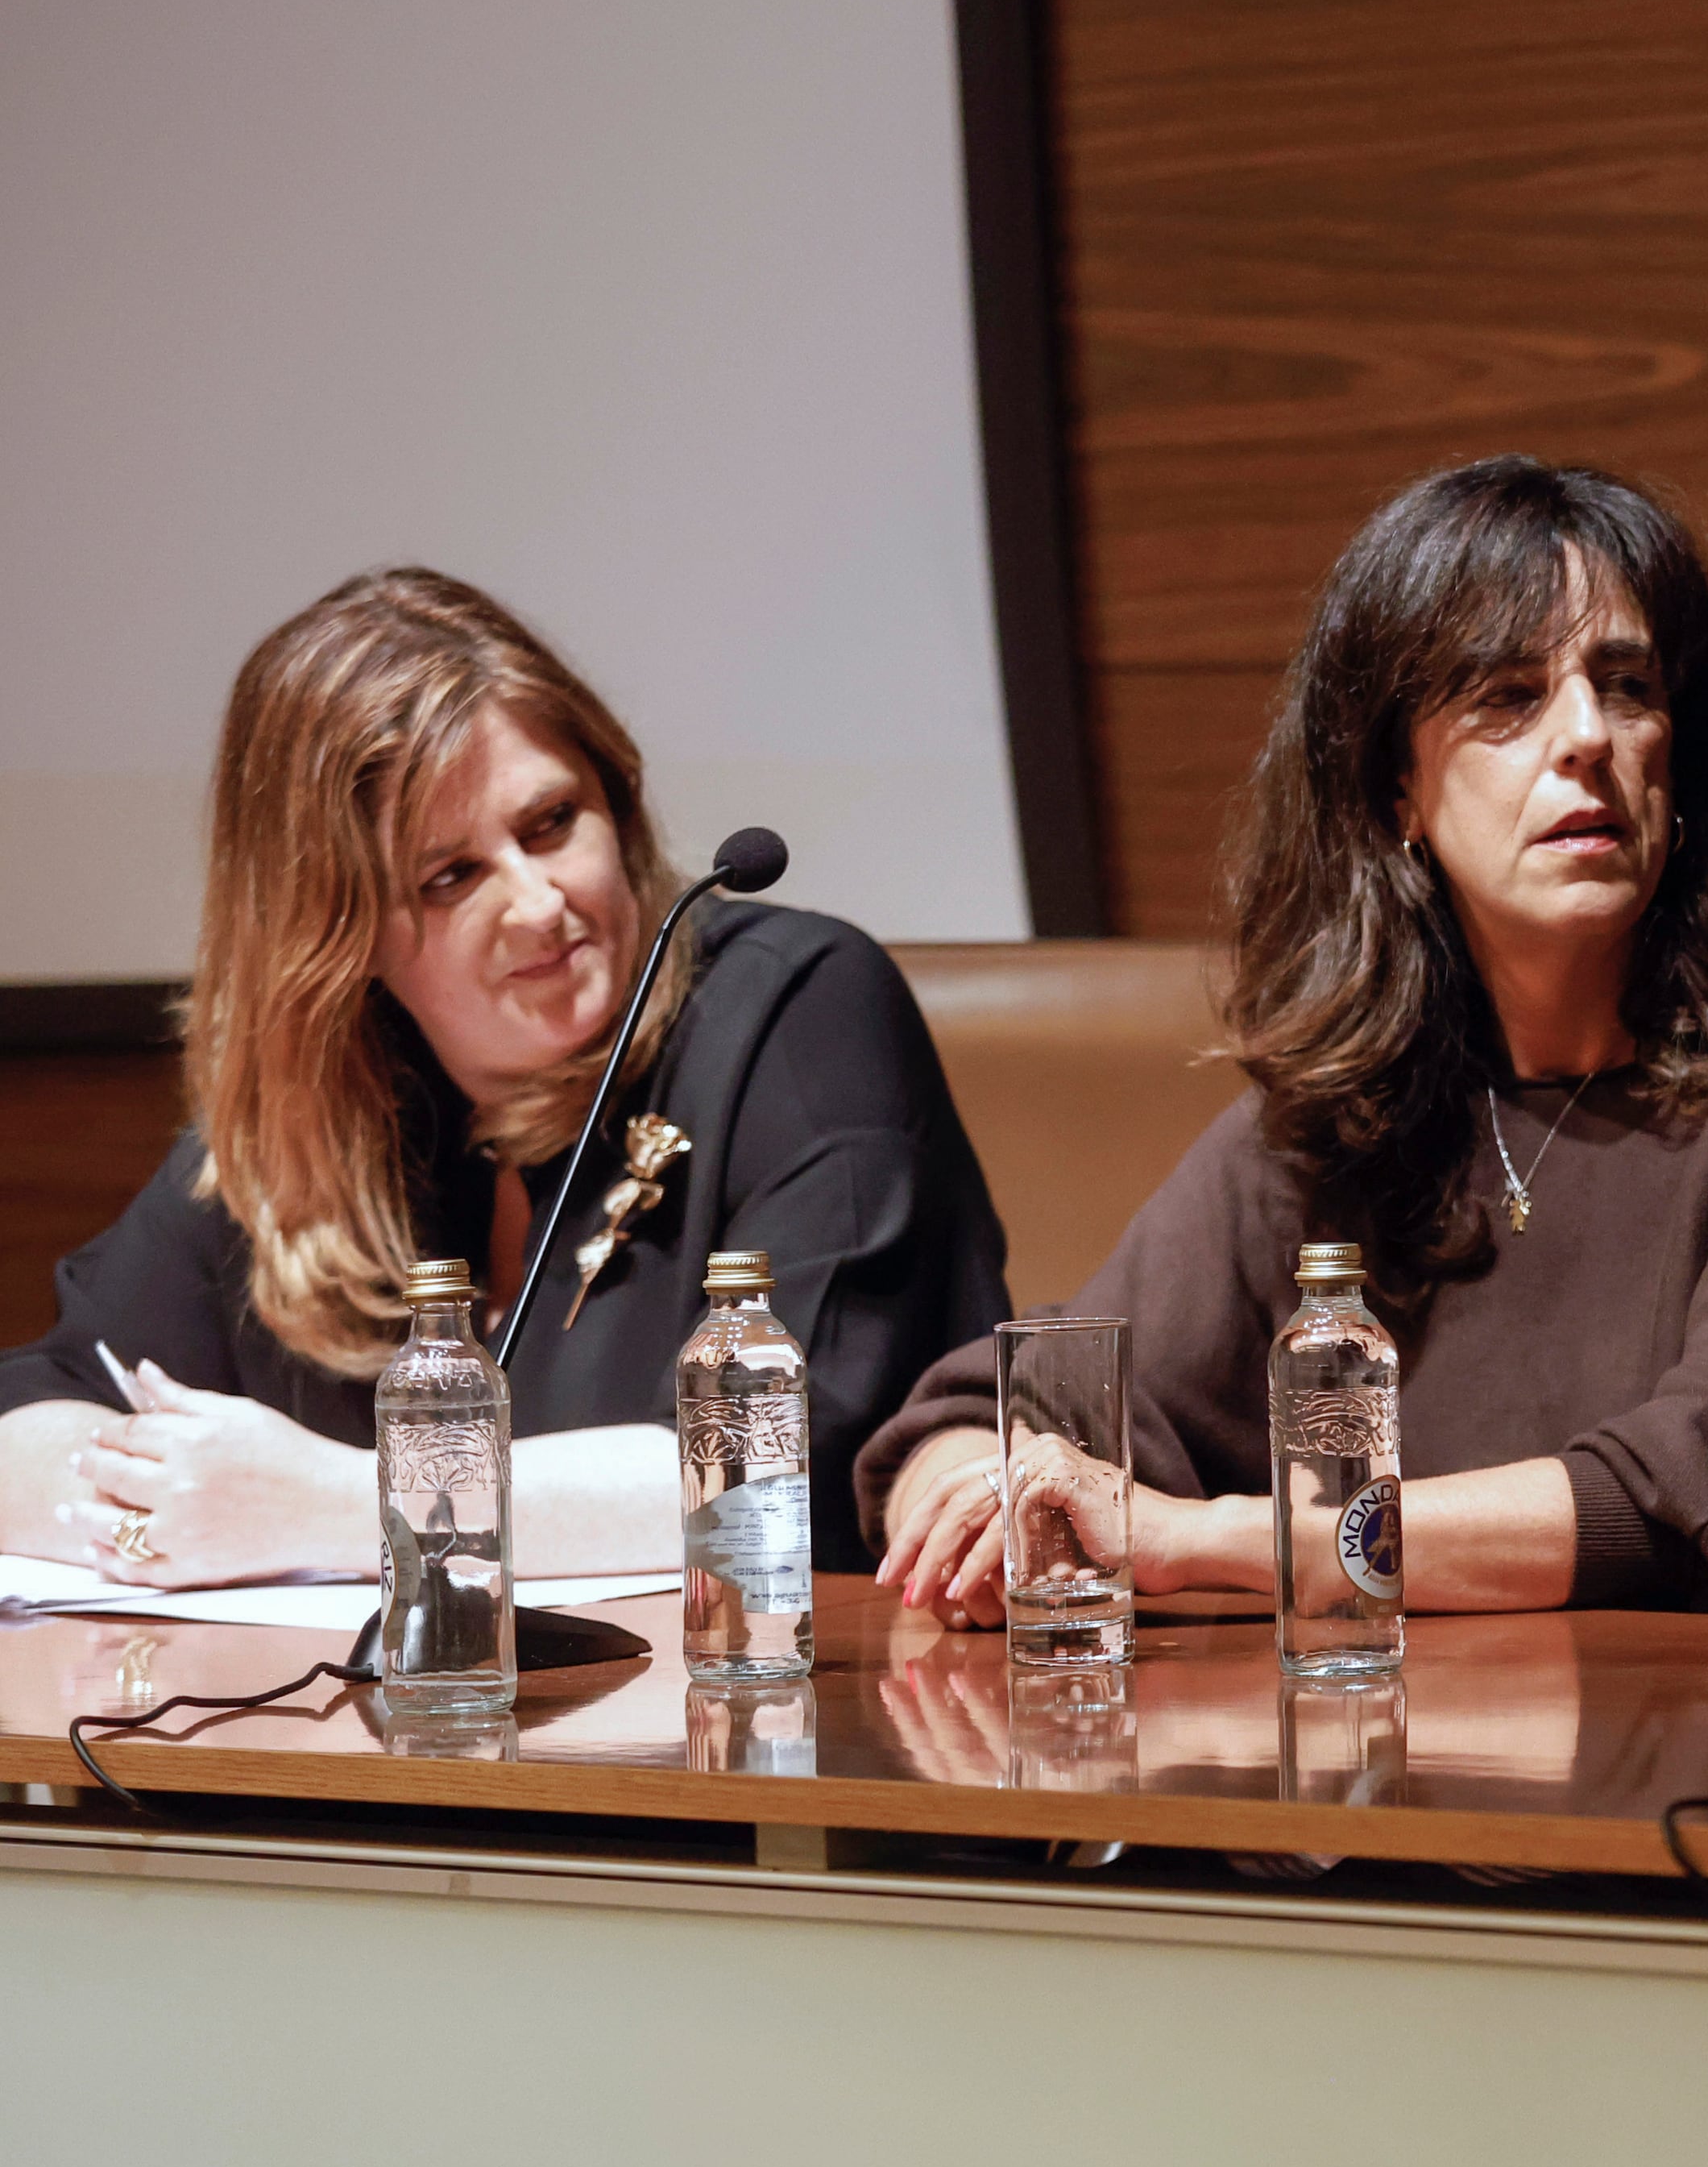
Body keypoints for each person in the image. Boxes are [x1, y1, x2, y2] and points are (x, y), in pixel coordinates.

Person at [858, 457, 1708, 1621]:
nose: (1587, 735)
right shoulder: (1348, 1119)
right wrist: (977, 1491)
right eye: (1509, 697)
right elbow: (994, 1408)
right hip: (1391, 1785)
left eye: (1627, 685)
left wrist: (1209, 1540)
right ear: (1395, 797)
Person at [0, 567, 1010, 1580]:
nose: (539, 902)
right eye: (451, 876)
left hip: (775, 1707)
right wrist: (148, 1510)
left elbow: (772, 1473)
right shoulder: (338, 1100)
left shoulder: (798, 1014)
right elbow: (30, 1412)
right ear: (336, 934)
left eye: (551, 823)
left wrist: (340, 1507)